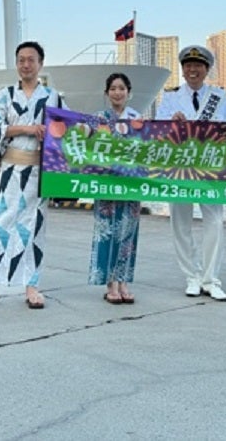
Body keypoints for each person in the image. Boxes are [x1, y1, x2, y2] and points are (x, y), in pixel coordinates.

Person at [0, 41, 64, 311]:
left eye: (31, 59)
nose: (25, 64)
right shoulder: (6, 95)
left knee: (35, 227)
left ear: (40, 63)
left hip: (39, 171)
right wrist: (26, 128)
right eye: (21, 60)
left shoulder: (53, 96)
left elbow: (67, 128)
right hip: (11, 170)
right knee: (3, 225)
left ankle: (31, 285)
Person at [156, 45, 226, 301]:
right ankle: (192, 276)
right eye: (188, 66)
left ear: (207, 69)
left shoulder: (219, 96)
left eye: (198, 66)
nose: (192, 70)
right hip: (179, 168)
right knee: (180, 222)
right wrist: (172, 123)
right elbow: (157, 131)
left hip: (210, 167)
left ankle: (211, 279)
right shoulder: (169, 97)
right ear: (182, 70)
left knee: (215, 221)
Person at [89, 73, 142, 304]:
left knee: (128, 233)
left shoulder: (138, 119)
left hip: (130, 184)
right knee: (107, 231)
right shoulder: (98, 119)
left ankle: (123, 281)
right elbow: (88, 147)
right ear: (106, 93)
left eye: (121, 88)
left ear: (129, 92)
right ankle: (110, 283)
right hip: (106, 183)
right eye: (112, 88)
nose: (117, 92)